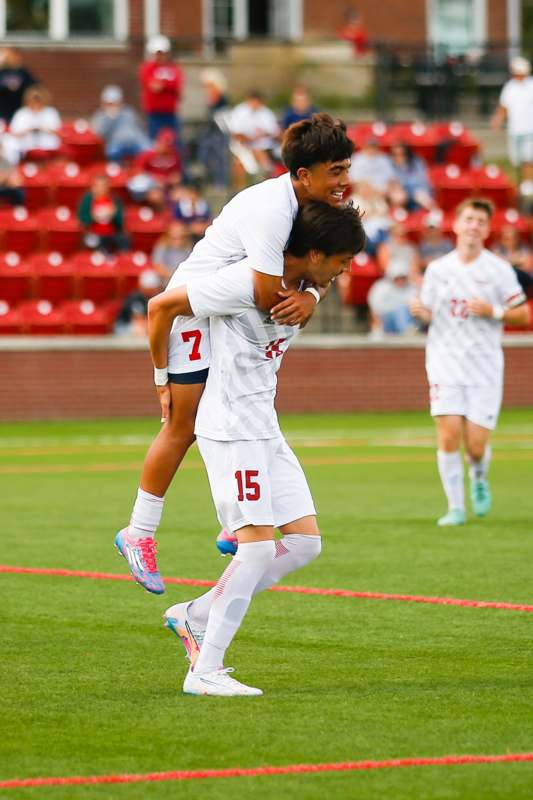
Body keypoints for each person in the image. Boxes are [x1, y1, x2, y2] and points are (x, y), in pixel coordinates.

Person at [113, 113, 354, 595]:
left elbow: (329, 260)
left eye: (347, 169)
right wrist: (161, 376)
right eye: (336, 171)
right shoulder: (272, 211)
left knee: (238, 404)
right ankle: (138, 531)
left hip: (225, 305)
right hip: (194, 308)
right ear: (303, 175)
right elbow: (268, 294)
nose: (345, 182)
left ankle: (236, 517)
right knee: (184, 422)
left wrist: (313, 295)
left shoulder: (315, 203)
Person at [143, 201, 366, 696]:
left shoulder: (304, 286)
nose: (347, 269)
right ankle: (205, 671)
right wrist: (164, 378)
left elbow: (316, 276)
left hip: (265, 425)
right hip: (230, 427)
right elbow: (162, 306)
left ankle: (194, 614)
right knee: (258, 547)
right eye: (342, 260)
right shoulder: (244, 283)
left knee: (306, 543)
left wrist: (314, 292)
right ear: (313, 251)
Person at [410, 198, 529, 527]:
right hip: (444, 362)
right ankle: (455, 507)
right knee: (448, 434)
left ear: (487, 229)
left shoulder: (499, 271)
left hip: (484, 365)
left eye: (480, 221)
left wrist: (496, 312)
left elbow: (522, 312)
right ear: (457, 224)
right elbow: (429, 314)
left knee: (475, 446)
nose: (474, 225)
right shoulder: (438, 269)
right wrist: (421, 313)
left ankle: (478, 476)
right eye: (469, 219)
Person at [491, 56, 533, 190]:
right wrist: (497, 120)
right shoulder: (510, 87)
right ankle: (521, 183)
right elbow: (504, 106)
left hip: (530, 129)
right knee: (516, 160)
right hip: (515, 129)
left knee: (528, 158)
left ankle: (528, 185)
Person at [229, 90, 280, 187]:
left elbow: (274, 132)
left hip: (263, 147)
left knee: (260, 151)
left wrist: (262, 134)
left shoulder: (266, 113)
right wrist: (249, 138)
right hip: (243, 145)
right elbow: (235, 133)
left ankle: (265, 175)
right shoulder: (239, 112)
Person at [138, 35, 183, 142]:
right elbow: (154, 87)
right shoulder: (147, 68)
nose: (160, 56)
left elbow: (177, 87)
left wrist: (163, 85)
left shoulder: (174, 68)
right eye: (158, 53)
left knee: (175, 143)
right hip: (154, 114)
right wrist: (168, 84)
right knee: (154, 142)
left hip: (170, 113)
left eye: (162, 53)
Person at [91, 84, 151, 163]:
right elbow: (98, 135)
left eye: (116, 103)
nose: (113, 106)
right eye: (110, 104)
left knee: (147, 151)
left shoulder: (128, 112)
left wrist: (148, 146)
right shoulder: (100, 116)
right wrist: (109, 119)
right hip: (115, 144)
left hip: (134, 142)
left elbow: (139, 129)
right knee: (112, 152)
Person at [78, 174, 129, 255]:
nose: (101, 188)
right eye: (98, 185)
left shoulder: (114, 200)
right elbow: (82, 219)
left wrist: (114, 214)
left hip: (111, 234)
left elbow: (120, 223)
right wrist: (93, 217)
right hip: (93, 234)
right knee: (91, 242)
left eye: (103, 185)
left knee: (123, 240)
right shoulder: (88, 200)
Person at [197, 68, 230, 189]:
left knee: (220, 158)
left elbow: (222, 119)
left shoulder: (222, 99)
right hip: (210, 133)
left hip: (219, 133)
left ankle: (220, 182)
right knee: (205, 155)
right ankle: (208, 180)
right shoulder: (211, 100)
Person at [9, 85, 61, 160]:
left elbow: (58, 131)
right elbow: (14, 132)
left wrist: (42, 129)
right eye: (33, 101)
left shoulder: (51, 112)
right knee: (10, 142)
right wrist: (28, 130)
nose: (36, 103)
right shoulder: (21, 113)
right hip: (25, 145)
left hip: (47, 144)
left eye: (38, 101)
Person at [367, 262, 417, 338]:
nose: (400, 280)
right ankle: (407, 331)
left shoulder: (412, 288)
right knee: (400, 310)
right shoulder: (380, 288)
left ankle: (408, 331)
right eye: (397, 277)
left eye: (402, 277)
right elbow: (375, 310)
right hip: (386, 322)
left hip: (411, 320)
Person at [387, 142, 435, 211]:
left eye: (402, 154)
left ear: (407, 153)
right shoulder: (389, 164)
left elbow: (423, 181)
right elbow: (391, 181)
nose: (398, 157)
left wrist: (411, 190)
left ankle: (435, 216)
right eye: (395, 154)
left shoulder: (416, 162)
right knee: (398, 196)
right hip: (400, 191)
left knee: (421, 195)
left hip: (417, 190)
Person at [114, 269, 163, 336]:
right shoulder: (135, 298)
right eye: (151, 288)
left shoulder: (158, 297)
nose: (154, 290)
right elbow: (139, 321)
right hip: (124, 325)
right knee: (140, 330)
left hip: (146, 325)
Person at [0, 48, 37, 124]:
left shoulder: (23, 71)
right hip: (3, 106)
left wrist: (19, 86)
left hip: (19, 105)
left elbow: (34, 85)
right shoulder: (2, 71)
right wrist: (6, 87)